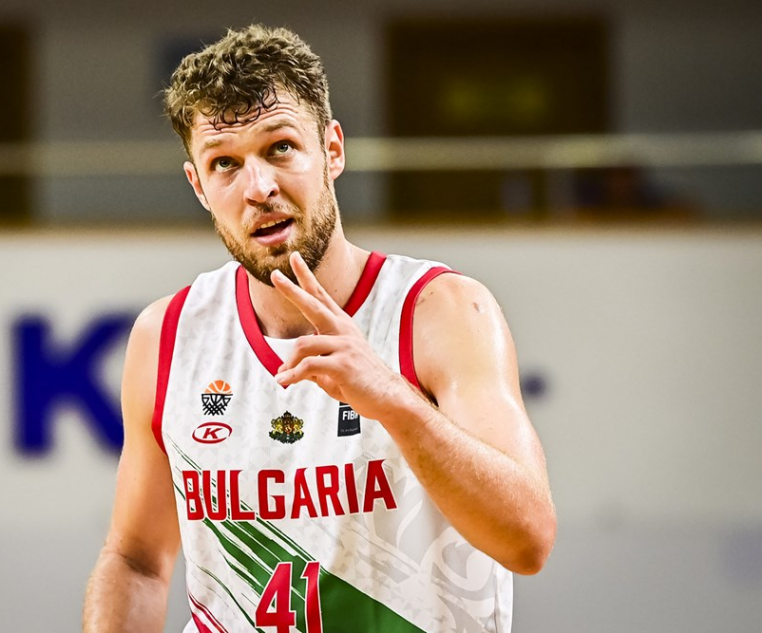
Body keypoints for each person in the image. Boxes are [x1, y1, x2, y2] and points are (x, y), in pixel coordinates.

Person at [83, 24, 556, 633]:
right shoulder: (166, 336)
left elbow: (527, 540)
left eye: (280, 148)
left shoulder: (442, 311)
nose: (259, 188)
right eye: (225, 163)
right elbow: (137, 561)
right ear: (198, 186)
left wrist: (393, 400)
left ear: (332, 150)